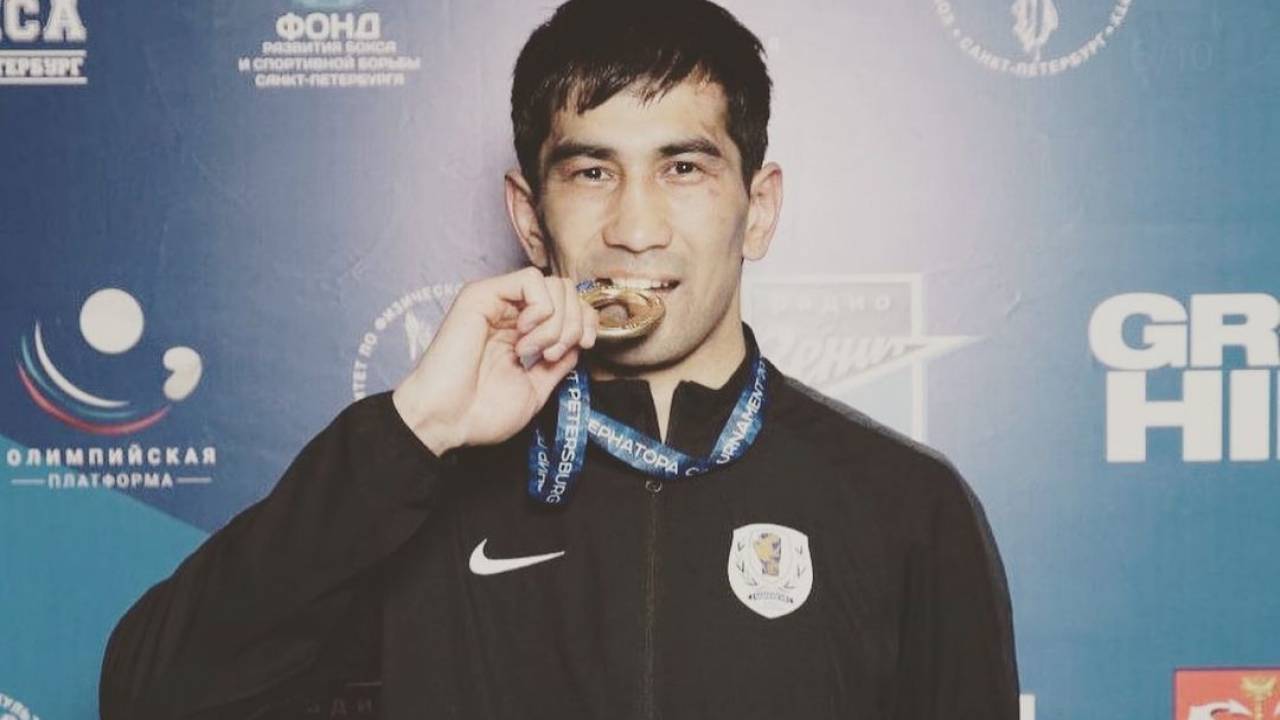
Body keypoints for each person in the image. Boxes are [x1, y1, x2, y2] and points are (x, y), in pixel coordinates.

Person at [99, 0, 1020, 718]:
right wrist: (415, 431)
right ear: (530, 219)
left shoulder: (906, 506)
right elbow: (148, 698)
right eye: (591, 172)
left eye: (684, 168)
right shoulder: (413, 488)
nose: (636, 227)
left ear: (760, 208)